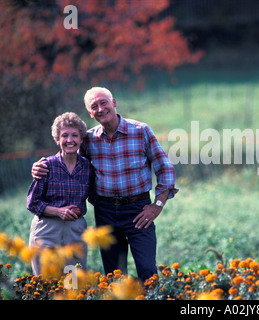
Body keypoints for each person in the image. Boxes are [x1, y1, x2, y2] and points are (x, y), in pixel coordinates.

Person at [32, 87, 178, 281]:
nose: (100, 108)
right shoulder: (88, 139)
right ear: (90, 113)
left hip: (139, 210)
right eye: (94, 106)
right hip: (105, 212)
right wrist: (39, 167)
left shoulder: (140, 131)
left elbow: (165, 169)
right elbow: (70, 164)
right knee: (114, 275)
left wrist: (157, 206)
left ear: (114, 103)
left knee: (147, 271)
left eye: (103, 102)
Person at [27, 112, 92, 276]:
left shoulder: (88, 168)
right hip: (47, 232)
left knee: (74, 284)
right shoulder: (46, 166)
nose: (70, 140)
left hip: (75, 232)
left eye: (75, 135)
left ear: (81, 139)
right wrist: (59, 211)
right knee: (47, 286)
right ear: (57, 139)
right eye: (64, 135)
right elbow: (33, 203)